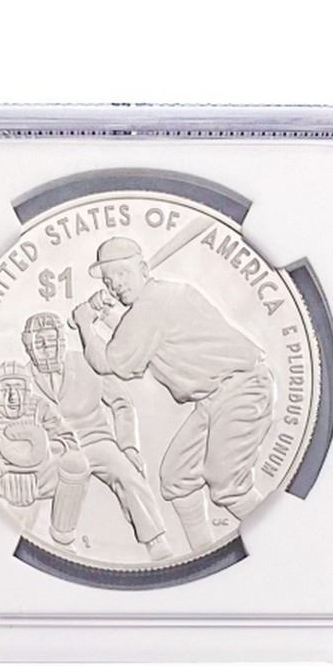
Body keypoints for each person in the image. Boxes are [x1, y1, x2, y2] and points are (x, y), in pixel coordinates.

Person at [69, 235, 274, 554]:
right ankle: (204, 555)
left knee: (227, 486)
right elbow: (144, 339)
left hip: (241, 391)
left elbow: (109, 362)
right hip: (215, 399)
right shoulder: (169, 294)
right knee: (177, 479)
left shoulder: (149, 309)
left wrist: (85, 324)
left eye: (122, 273)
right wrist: (107, 315)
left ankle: (281, 541)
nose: (115, 285)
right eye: (108, 280)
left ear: (143, 268)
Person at [20, 311, 174, 561]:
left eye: (52, 340)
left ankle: (156, 540)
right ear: (29, 346)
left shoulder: (88, 363)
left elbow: (122, 403)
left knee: (128, 474)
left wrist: (129, 447)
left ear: (62, 340)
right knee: (33, 488)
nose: (47, 347)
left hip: (96, 440)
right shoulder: (22, 380)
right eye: (40, 342)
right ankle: (59, 541)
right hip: (56, 450)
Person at [0, 361, 90, 546]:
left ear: (28, 390)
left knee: (76, 462)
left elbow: (67, 439)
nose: (12, 396)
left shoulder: (40, 407)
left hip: (40, 478)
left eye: (18, 388)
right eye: (5, 388)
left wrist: (45, 450)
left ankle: (62, 536)